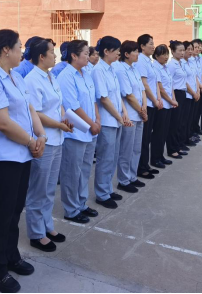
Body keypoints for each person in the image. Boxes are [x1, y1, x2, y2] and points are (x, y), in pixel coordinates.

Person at [0, 30, 46, 293]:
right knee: (0, 215)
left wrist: (41, 136)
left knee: (15, 211)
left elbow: (29, 108)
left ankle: (11, 256)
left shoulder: (15, 76)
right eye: (19, 47)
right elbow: (2, 122)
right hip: (5, 157)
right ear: (6, 50)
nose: (22, 52)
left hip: (23, 154)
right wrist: (30, 141)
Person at [24, 37, 73, 253]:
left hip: (57, 138)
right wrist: (59, 124)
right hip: (44, 140)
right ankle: (36, 233)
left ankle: (46, 225)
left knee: (50, 188)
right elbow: (36, 113)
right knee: (39, 189)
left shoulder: (51, 76)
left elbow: (59, 104)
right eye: (52, 52)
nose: (56, 55)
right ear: (41, 56)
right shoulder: (32, 80)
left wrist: (64, 119)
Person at [57, 40, 101, 224]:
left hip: (90, 130)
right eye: (85, 53)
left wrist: (97, 120)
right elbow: (73, 107)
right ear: (74, 56)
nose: (88, 57)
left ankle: (81, 203)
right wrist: (91, 124)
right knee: (71, 172)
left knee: (84, 170)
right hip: (76, 131)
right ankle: (71, 209)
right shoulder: (66, 76)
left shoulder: (86, 74)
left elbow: (93, 100)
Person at [92, 36, 131, 210]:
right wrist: (119, 117)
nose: (118, 54)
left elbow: (117, 95)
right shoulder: (98, 70)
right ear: (106, 51)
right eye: (116, 51)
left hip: (116, 119)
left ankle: (107, 189)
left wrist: (124, 113)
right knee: (105, 158)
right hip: (108, 121)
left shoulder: (111, 68)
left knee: (113, 157)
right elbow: (104, 98)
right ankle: (101, 194)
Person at [115, 41, 147, 194]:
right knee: (126, 150)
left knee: (136, 148)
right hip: (131, 116)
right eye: (135, 51)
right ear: (126, 54)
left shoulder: (134, 69)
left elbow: (142, 90)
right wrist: (141, 111)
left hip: (139, 114)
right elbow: (128, 95)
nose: (137, 54)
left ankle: (132, 176)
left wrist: (144, 107)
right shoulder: (121, 70)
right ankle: (123, 180)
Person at [135, 34, 162, 180]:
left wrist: (158, 99)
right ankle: (141, 167)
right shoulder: (140, 61)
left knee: (148, 136)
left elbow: (155, 82)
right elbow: (144, 84)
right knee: (144, 138)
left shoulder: (149, 61)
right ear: (142, 46)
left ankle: (145, 165)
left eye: (153, 43)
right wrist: (154, 100)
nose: (153, 46)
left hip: (153, 102)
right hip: (147, 104)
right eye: (150, 44)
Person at [151, 45, 178, 169]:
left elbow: (170, 85)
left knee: (164, 132)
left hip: (169, 104)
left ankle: (160, 156)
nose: (166, 57)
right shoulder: (155, 67)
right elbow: (161, 88)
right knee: (158, 133)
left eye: (167, 54)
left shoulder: (165, 67)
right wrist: (170, 100)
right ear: (156, 56)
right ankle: (155, 158)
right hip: (162, 105)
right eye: (163, 54)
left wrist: (173, 99)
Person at [166, 41, 188, 159]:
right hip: (175, 94)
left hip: (182, 93)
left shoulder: (180, 63)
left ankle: (178, 146)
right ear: (173, 52)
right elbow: (169, 83)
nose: (182, 52)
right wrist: (172, 98)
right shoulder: (171, 65)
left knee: (180, 122)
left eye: (183, 50)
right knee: (174, 123)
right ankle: (172, 149)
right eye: (180, 50)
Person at [182, 41, 200, 148]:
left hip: (194, 94)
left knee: (190, 118)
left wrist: (197, 91)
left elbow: (195, 77)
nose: (190, 51)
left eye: (191, 49)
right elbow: (184, 81)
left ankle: (188, 137)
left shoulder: (190, 62)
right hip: (187, 95)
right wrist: (193, 93)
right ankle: (183, 140)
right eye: (187, 49)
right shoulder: (181, 63)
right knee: (184, 120)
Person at [191, 39, 202, 139]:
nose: (198, 49)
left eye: (199, 47)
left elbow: (201, 74)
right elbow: (195, 76)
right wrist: (201, 86)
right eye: (196, 47)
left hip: (201, 87)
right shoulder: (190, 60)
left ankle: (196, 128)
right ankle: (192, 131)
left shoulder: (198, 59)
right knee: (193, 113)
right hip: (196, 89)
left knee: (198, 112)